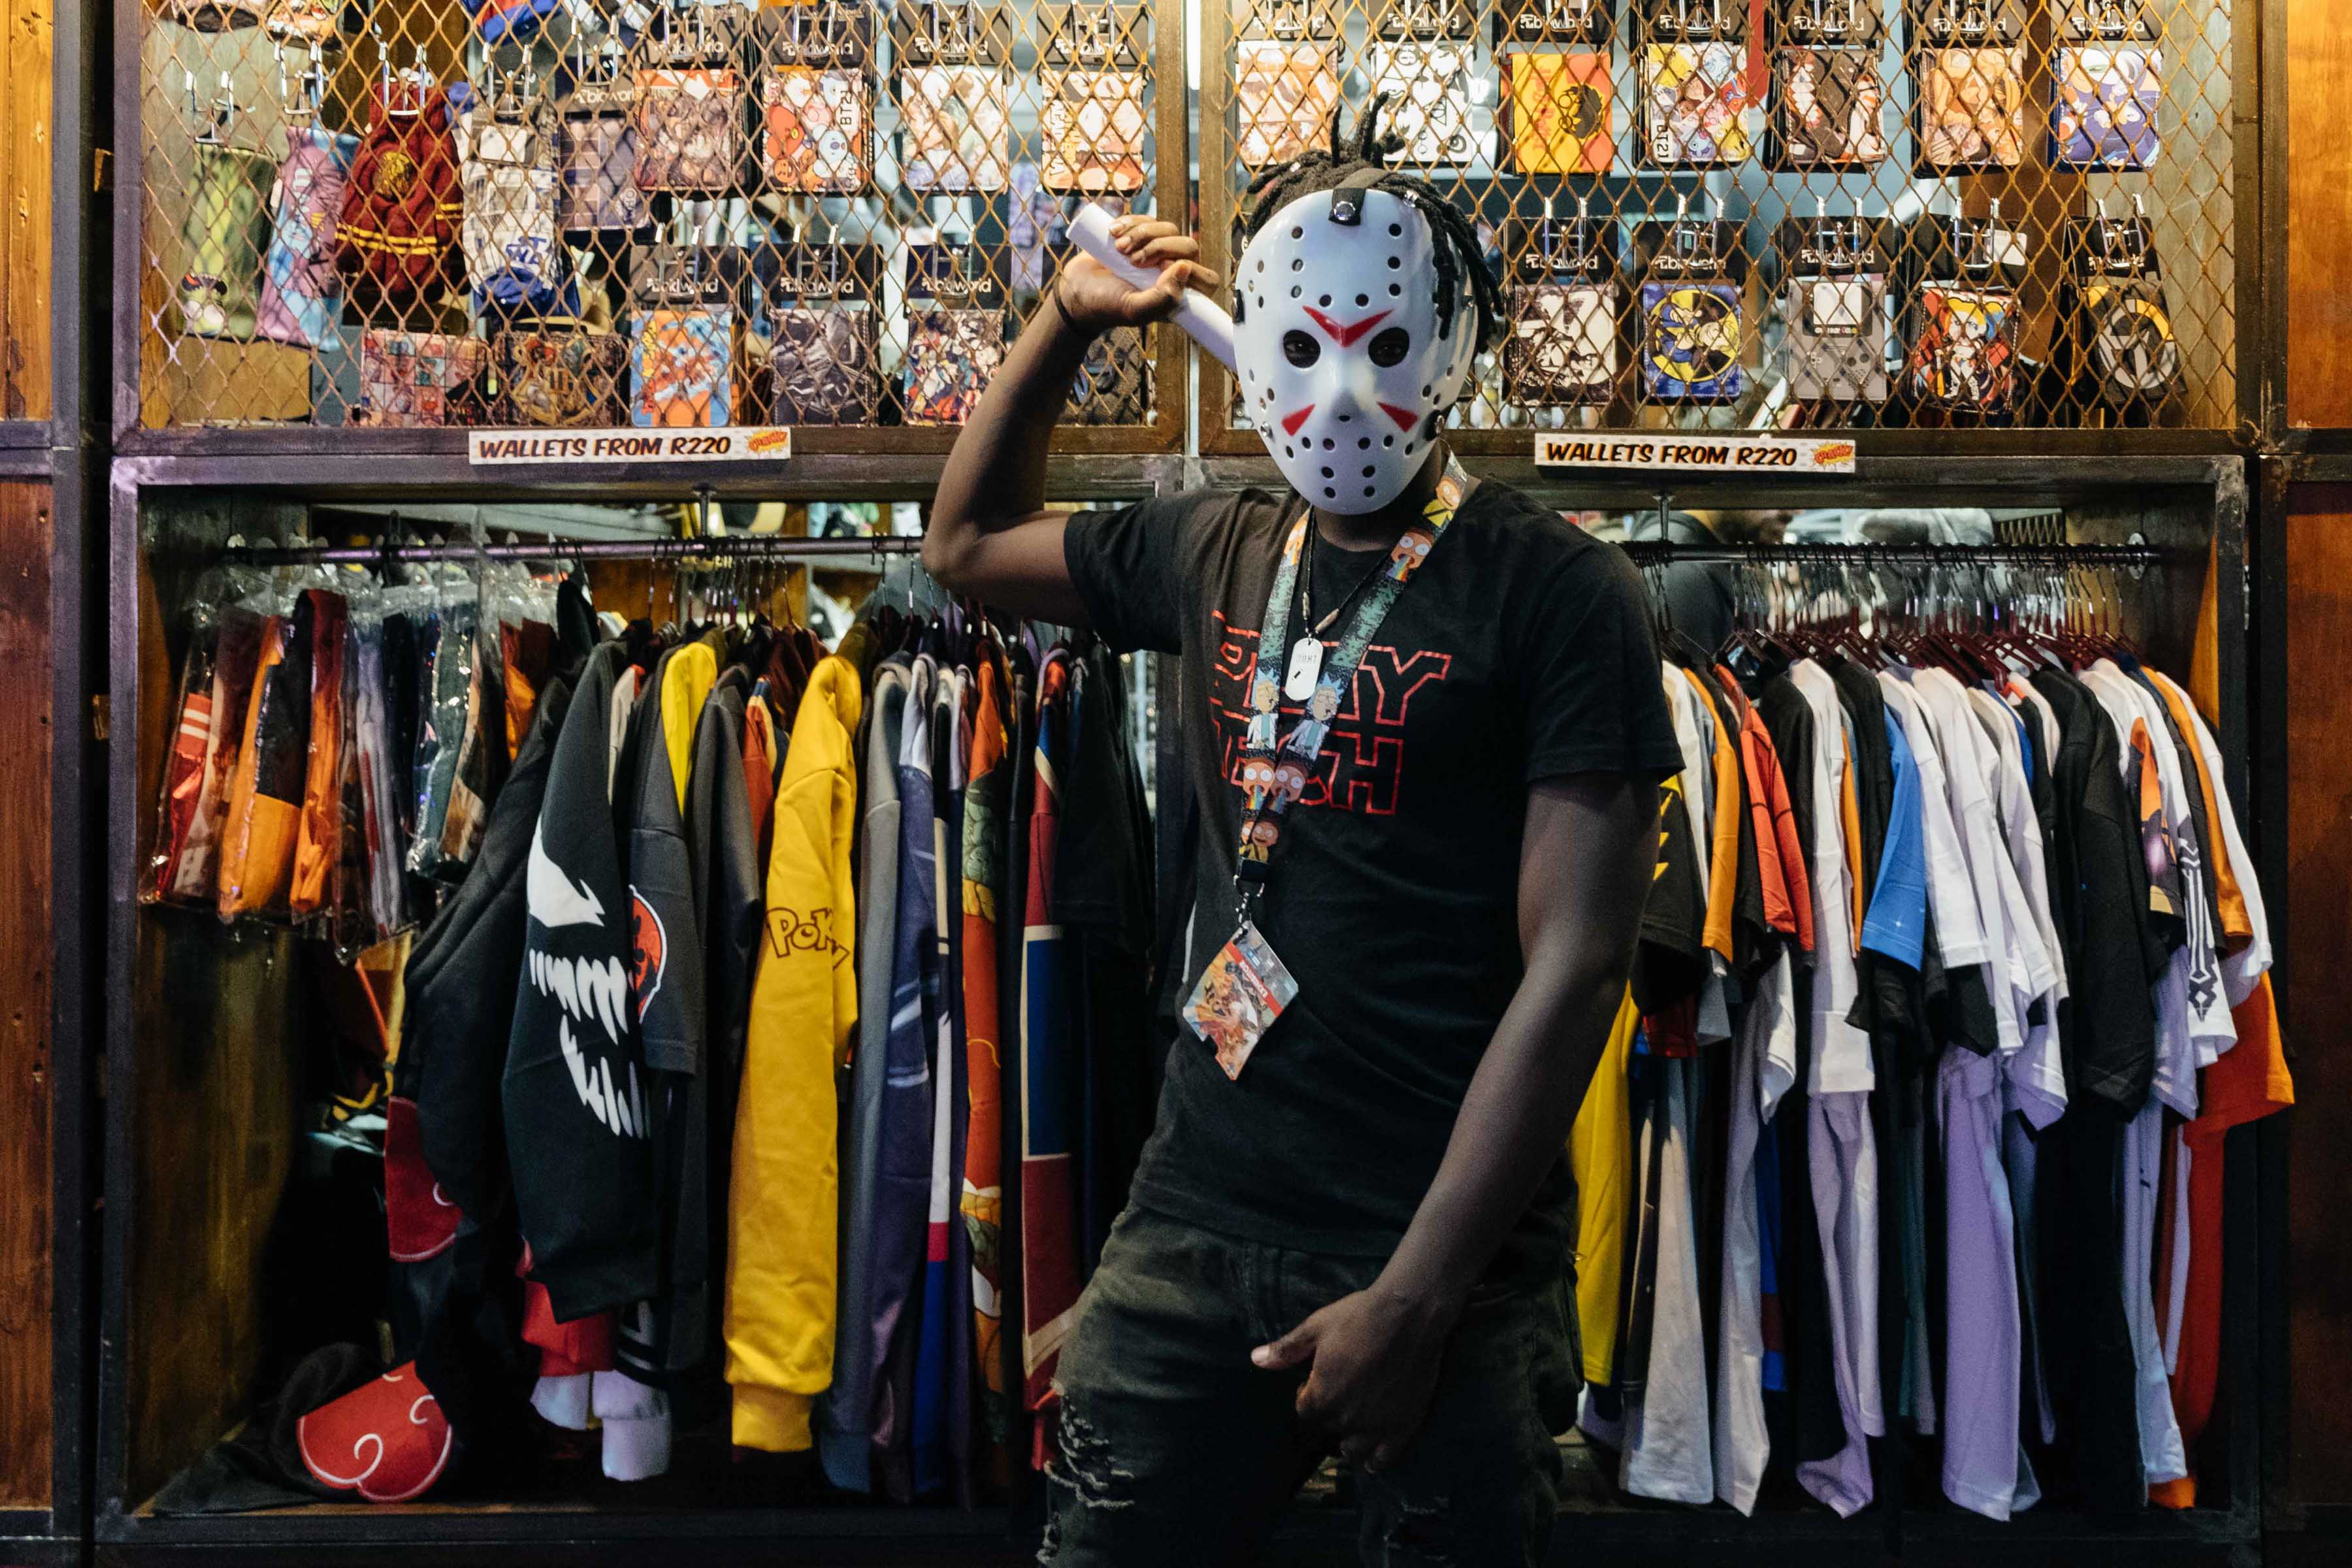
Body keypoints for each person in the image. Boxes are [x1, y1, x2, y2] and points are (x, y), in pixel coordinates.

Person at [922, 102, 1684, 1567]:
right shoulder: (1213, 543)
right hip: (1199, 1211)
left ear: (1451, 345)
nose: (1342, 395)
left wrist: (1416, 1297)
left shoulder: (1558, 590)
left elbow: (1579, 966)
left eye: (1385, 347)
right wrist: (1068, 323)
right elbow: (962, 548)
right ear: (1253, 342)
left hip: (1442, 1252)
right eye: (1305, 345)